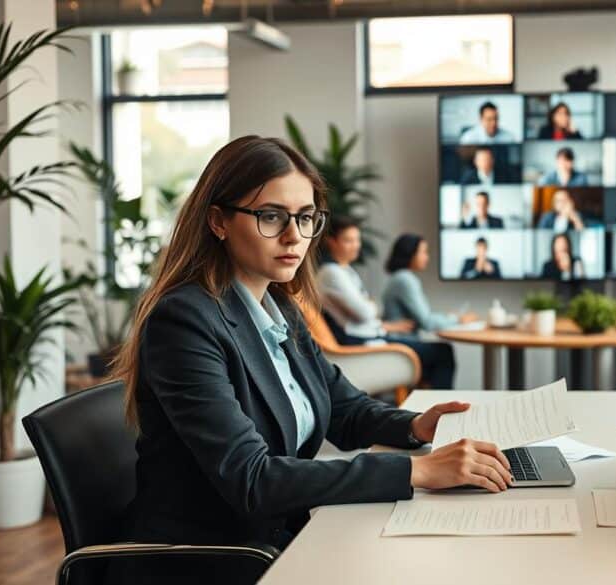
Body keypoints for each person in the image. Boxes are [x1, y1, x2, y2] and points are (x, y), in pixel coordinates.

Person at [108, 137, 512, 584]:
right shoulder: (184, 321)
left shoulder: (280, 308)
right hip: (210, 559)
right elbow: (253, 480)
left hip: (280, 536)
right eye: (271, 216)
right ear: (218, 221)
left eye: (305, 218)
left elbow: (345, 408)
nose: (294, 236)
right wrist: (418, 470)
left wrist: (416, 427)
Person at [318, 217, 458, 389]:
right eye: (349, 240)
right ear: (331, 242)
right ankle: (436, 407)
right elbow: (365, 313)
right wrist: (371, 307)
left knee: (437, 355)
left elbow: (366, 312)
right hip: (361, 342)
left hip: (369, 336)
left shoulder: (345, 271)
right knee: (443, 353)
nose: (356, 245)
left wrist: (376, 315)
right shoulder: (332, 273)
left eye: (357, 240)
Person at [382, 234, 479, 332]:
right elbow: (427, 322)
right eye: (424, 252)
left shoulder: (399, 276)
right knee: (444, 348)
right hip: (402, 342)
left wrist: (450, 317)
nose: (427, 258)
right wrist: (458, 319)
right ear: (410, 253)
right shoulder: (405, 279)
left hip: (400, 340)